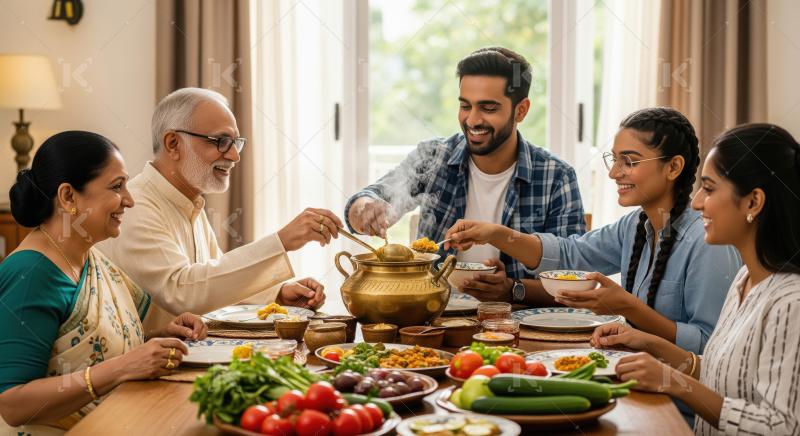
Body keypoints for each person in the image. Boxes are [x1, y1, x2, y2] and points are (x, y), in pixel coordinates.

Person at [445, 107, 741, 354]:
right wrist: (496, 234)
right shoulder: (634, 226)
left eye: (630, 161)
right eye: (614, 160)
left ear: (673, 167)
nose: (614, 173)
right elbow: (570, 255)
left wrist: (631, 308)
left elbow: (710, 346)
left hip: (677, 403)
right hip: (633, 373)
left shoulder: (708, 242)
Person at [591, 123, 800, 435]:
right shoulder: (746, 279)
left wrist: (671, 381)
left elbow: (780, 427)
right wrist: (647, 343)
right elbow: (723, 374)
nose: (697, 201)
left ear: (753, 203)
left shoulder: (790, 304)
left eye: (710, 189)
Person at [0, 131, 207, 434]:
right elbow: (13, 404)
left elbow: (88, 346)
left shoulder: (91, 258)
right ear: (68, 196)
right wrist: (124, 367)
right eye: (117, 186)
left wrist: (159, 337)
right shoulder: (31, 273)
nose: (130, 200)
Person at [345, 47, 586, 305]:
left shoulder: (555, 177)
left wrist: (511, 289)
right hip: (432, 319)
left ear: (521, 111)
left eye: (488, 108)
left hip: (513, 325)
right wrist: (365, 208)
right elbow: (368, 198)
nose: (472, 120)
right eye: (465, 105)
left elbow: (572, 284)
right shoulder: (433, 157)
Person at [98, 88, 343, 331]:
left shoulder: (188, 201)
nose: (235, 156)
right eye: (222, 141)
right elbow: (181, 293)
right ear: (173, 144)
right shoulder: (136, 205)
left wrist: (277, 294)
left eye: (236, 142)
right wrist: (282, 241)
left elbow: (212, 282)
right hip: (151, 367)